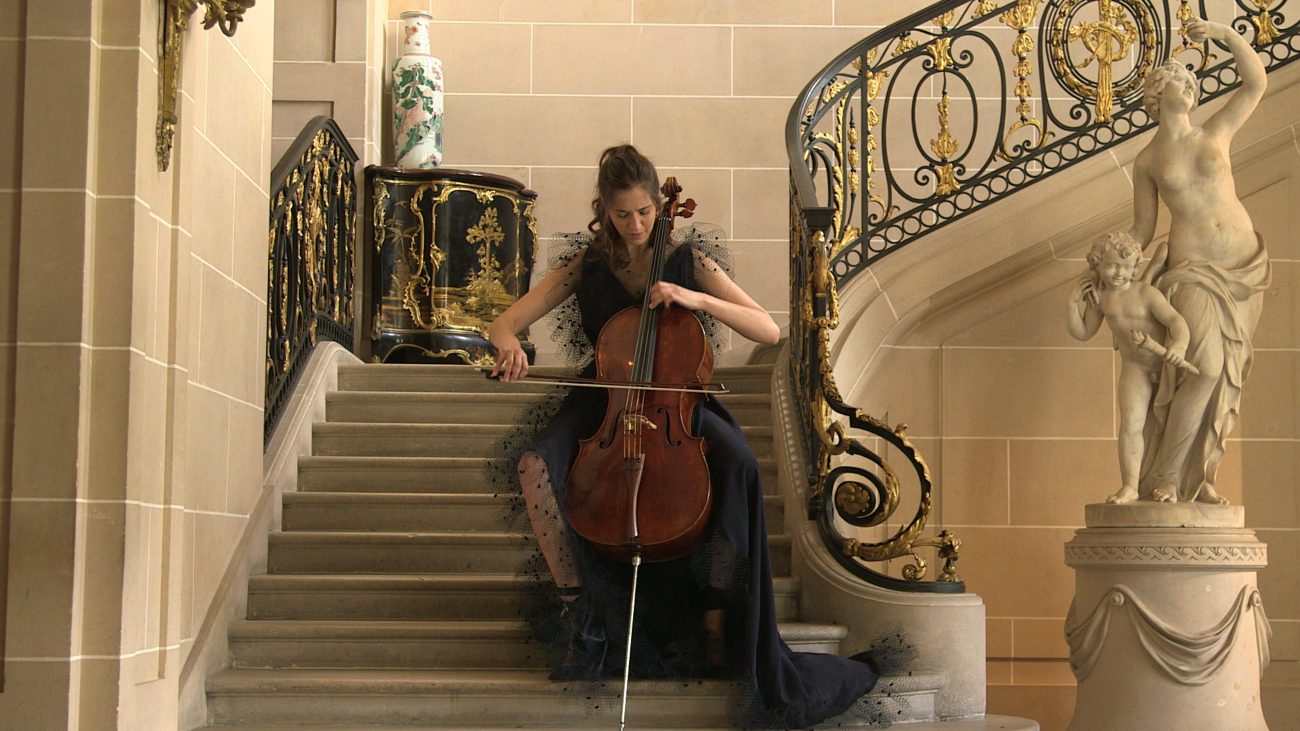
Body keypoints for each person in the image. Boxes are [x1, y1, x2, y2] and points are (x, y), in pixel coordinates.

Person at [486, 144, 878, 728]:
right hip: (605, 398)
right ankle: (578, 609)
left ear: (657, 205)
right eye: (623, 215)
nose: (637, 225)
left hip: (677, 402)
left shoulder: (686, 259)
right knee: (533, 465)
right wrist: (508, 343)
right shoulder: (585, 264)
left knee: (741, 464)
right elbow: (504, 320)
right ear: (604, 210)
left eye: (645, 212)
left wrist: (690, 297)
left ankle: (717, 616)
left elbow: (768, 328)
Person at [1128, 17, 1272, 503]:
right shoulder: (1146, 161)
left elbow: (1256, 83)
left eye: (1191, 83)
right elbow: (1143, 231)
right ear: (1156, 93)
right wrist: (1111, 269)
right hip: (1191, 271)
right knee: (1203, 367)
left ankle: (1201, 478)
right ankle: (1166, 476)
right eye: (1179, 81)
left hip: (1245, 268)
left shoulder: (1215, 132)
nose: (1188, 88)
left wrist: (1224, 35)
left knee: (1226, 376)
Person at [1067, 232, 1191, 504]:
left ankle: (1172, 482)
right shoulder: (1101, 297)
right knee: (1131, 424)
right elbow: (1085, 332)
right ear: (1097, 263)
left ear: (1136, 267)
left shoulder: (1145, 293)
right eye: (1111, 265)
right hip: (1135, 367)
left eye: (1127, 267)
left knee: (1176, 423)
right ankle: (1130, 486)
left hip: (1167, 365)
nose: (1118, 273)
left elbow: (1175, 321)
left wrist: (1179, 346)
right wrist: (1071, 303)